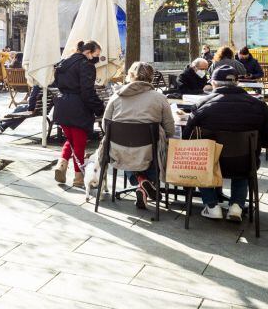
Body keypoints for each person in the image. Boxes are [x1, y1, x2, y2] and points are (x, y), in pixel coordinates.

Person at [182, 65, 268, 221]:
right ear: (237, 83)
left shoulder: (201, 105)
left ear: (213, 83)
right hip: (246, 162)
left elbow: (186, 140)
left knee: (200, 162)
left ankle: (212, 206)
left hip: (211, 163)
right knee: (244, 162)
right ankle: (236, 206)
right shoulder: (258, 105)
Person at [99, 62, 176, 209]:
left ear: (130, 76)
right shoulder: (159, 98)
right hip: (149, 151)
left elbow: (105, 126)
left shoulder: (116, 96)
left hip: (118, 151)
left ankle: (140, 182)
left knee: (129, 149)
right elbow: (170, 130)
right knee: (157, 149)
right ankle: (146, 183)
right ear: (151, 77)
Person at [50, 40, 105, 187]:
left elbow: (57, 84)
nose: (96, 58)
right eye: (96, 54)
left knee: (72, 140)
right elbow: (88, 92)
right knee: (79, 144)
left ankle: (61, 165)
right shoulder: (86, 65)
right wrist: (100, 108)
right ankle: (78, 177)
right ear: (88, 52)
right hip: (78, 107)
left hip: (62, 106)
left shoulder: (63, 63)